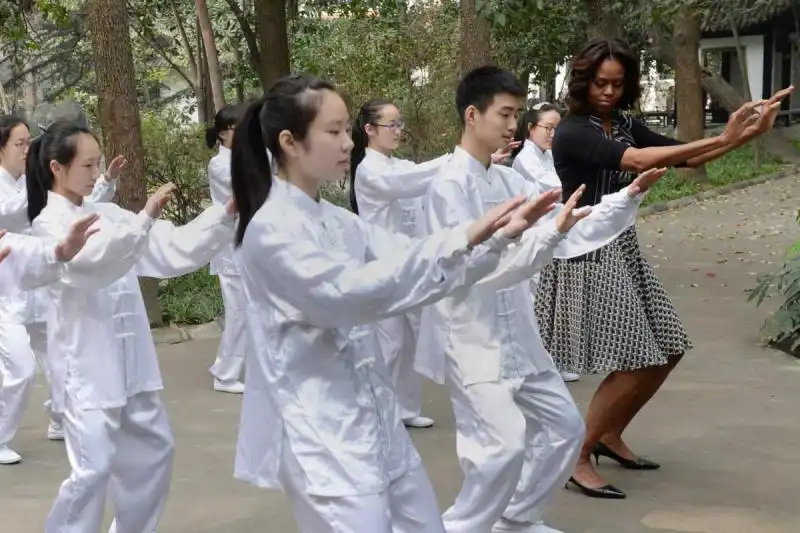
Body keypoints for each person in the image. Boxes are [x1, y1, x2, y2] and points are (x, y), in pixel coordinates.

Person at [230, 73, 587, 533]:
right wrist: (466, 237)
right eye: (334, 131)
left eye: (346, 131)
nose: (347, 143)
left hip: (374, 419)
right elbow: (349, 293)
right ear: (290, 142)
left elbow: (411, 258)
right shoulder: (271, 230)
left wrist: (495, 241)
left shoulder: (338, 222)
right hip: (320, 432)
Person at [534, 37, 793, 499]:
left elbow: (686, 156)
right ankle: (576, 455)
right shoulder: (574, 130)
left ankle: (609, 436)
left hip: (622, 245)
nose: (609, 91)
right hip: (585, 254)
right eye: (599, 83)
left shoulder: (627, 123)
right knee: (637, 361)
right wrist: (726, 135)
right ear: (583, 81)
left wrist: (748, 133)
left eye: (617, 83)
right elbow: (634, 162)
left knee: (668, 348)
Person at [417, 65, 668, 533]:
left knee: (563, 430)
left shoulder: (507, 180)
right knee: (498, 449)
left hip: (518, 329)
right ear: (472, 115)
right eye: (505, 114)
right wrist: (549, 232)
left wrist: (624, 197)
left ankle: (515, 519)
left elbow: (563, 221)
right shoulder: (449, 187)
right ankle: (461, 528)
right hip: (472, 337)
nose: (513, 126)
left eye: (516, 115)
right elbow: (475, 271)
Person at [26, 120, 237, 532]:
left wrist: (222, 217)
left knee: (154, 454)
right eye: (88, 166)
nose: (97, 174)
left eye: (98, 164)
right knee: (93, 469)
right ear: (57, 168)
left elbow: (168, 246)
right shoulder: (48, 225)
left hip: (133, 363)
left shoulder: (106, 212)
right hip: (87, 366)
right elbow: (91, 265)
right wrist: (141, 222)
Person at [0, 114, 122, 463]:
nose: (25, 150)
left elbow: (77, 203)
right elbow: (13, 209)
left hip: (44, 281)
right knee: (21, 369)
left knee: (58, 360)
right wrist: (45, 171)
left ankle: (60, 419)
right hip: (9, 285)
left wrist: (106, 180)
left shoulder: (33, 182)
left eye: (29, 143)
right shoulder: (21, 188)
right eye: (19, 144)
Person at [349, 98, 450, 428]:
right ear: (369, 129)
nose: (398, 131)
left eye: (399, 124)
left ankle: (404, 409)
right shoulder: (368, 170)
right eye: (391, 125)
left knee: (406, 343)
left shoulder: (398, 165)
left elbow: (424, 177)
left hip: (407, 264)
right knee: (390, 344)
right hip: (383, 266)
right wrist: (458, 158)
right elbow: (407, 184)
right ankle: (380, 410)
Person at [510, 102, 579, 384]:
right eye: (549, 128)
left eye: (557, 129)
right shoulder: (525, 160)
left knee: (551, 302)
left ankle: (552, 360)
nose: (553, 134)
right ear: (531, 128)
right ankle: (537, 364)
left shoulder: (547, 156)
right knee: (536, 303)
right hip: (534, 239)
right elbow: (557, 187)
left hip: (553, 238)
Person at [206, 104, 249, 394]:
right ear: (223, 133)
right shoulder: (219, 165)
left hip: (251, 245)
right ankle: (225, 373)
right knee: (238, 312)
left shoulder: (249, 157)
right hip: (232, 248)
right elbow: (248, 186)